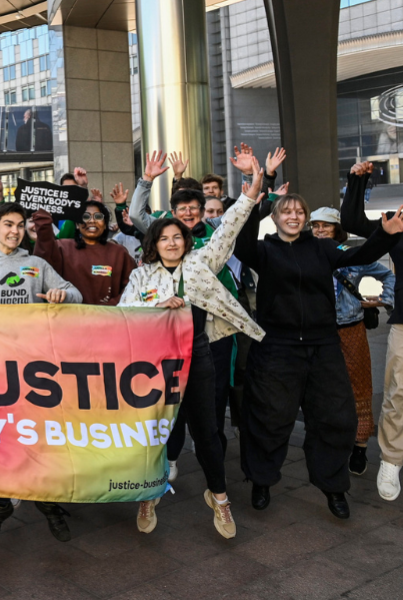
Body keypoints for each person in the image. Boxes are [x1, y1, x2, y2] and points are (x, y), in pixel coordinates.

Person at [234, 176, 403, 519]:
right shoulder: (264, 250)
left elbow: (361, 254)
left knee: (333, 418)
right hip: (277, 349)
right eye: (286, 211)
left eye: (299, 212)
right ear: (276, 217)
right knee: (270, 416)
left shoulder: (324, 248)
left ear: (306, 218)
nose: (293, 216)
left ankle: (334, 488)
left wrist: (385, 234)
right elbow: (241, 244)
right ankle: (262, 481)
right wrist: (256, 198)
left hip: (323, 346)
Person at [120, 161, 266, 539]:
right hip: (153, 367)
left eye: (178, 237)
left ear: (187, 242)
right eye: (165, 238)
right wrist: (154, 307)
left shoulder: (202, 263)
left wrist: (250, 192)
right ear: (154, 244)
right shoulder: (141, 276)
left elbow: (227, 230)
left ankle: (219, 498)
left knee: (207, 432)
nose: (172, 242)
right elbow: (122, 315)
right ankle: (148, 494)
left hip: (198, 357)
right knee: (156, 434)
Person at [0, 202, 81, 543]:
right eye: (7, 224)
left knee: (39, 439)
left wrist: (61, 294)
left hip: (35, 371)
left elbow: (76, 294)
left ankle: (48, 504)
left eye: (20, 225)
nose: (14, 231)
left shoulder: (36, 265)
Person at [310, 206, 395, 476]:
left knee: (359, 388)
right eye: (315, 226)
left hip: (351, 328)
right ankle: (330, 443)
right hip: (318, 332)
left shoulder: (352, 256)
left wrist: (386, 299)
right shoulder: (306, 254)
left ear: (337, 229)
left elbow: (388, 274)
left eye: (326, 225)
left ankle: (359, 447)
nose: (320, 230)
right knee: (322, 390)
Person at [338, 161, 403, 500]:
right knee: (397, 394)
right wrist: (357, 181)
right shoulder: (398, 221)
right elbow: (351, 222)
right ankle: (391, 460)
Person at [33, 198, 135, 307]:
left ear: (105, 224)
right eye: (86, 217)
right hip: (70, 318)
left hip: (109, 318)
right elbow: (41, 264)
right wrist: (43, 224)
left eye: (98, 217)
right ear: (77, 225)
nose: (92, 220)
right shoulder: (61, 247)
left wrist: (110, 306)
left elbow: (133, 286)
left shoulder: (119, 253)